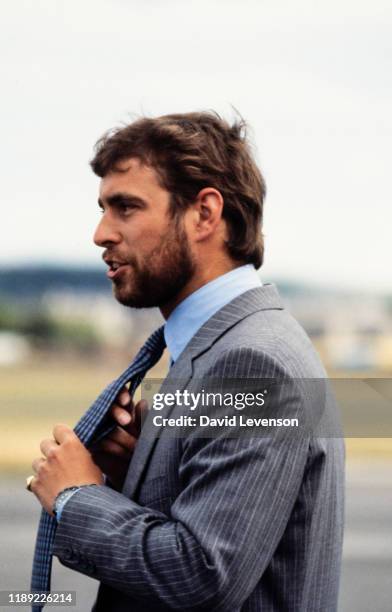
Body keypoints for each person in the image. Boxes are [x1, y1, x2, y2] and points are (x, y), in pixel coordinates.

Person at [28, 112, 344, 611]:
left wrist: (76, 498)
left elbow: (201, 575)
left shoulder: (251, 362)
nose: (101, 234)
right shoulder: (221, 345)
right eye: (103, 209)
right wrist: (145, 472)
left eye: (126, 207)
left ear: (204, 214)